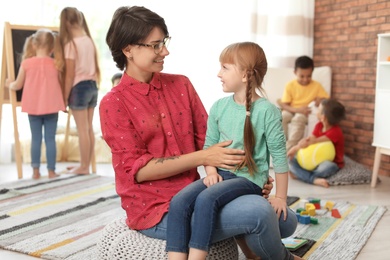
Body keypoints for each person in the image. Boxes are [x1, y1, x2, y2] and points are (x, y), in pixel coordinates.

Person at [101, 6, 298, 260]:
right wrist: (204, 158)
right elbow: (138, 170)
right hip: (156, 210)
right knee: (260, 214)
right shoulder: (114, 103)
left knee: (286, 220)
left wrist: (252, 174)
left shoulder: (180, 84)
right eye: (156, 45)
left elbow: (215, 142)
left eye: (165, 42)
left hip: (205, 192)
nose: (165, 51)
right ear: (128, 49)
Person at [166, 42, 299, 260]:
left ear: (246, 75)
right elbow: (209, 147)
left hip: (249, 180)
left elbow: (280, 157)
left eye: (225, 68)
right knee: (179, 202)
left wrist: (281, 197)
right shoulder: (219, 107)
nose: (219, 73)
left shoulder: (268, 111)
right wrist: (211, 173)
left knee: (206, 199)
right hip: (221, 176)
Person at [5, 28, 65, 179]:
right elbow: (62, 85)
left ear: (33, 45)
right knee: (50, 139)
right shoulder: (56, 65)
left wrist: (9, 84)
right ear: (52, 47)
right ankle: (51, 171)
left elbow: (17, 85)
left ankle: (35, 172)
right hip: (52, 107)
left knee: (36, 139)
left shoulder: (26, 64)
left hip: (33, 108)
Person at [59, 7, 101, 174]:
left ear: (67, 23)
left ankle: (83, 167)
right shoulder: (88, 40)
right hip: (92, 86)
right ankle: (86, 165)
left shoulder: (71, 45)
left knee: (82, 129)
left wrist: (63, 98)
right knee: (88, 128)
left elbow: (69, 75)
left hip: (79, 88)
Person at [287, 98, 346, 188]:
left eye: (318, 109)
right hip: (315, 160)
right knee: (290, 161)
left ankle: (307, 177)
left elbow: (313, 141)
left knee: (327, 167)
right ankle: (308, 176)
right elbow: (310, 139)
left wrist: (295, 148)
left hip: (331, 162)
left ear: (323, 117)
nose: (316, 111)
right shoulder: (319, 126)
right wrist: (297, 147)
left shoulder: (336, 132)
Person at [277, 56, 329, 151]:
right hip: (291, 110)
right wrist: (297, 110)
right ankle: (279, 146)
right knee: (282, 117)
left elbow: (326, 100)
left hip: (305, 113)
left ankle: (289, 149)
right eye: (302, 76)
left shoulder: (317, 86)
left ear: (312, 73)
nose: (305, 79)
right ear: (295, 72)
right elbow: (285, 104)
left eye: (309, 76)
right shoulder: (290, 85)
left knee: (298, 119)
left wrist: (320, 100)